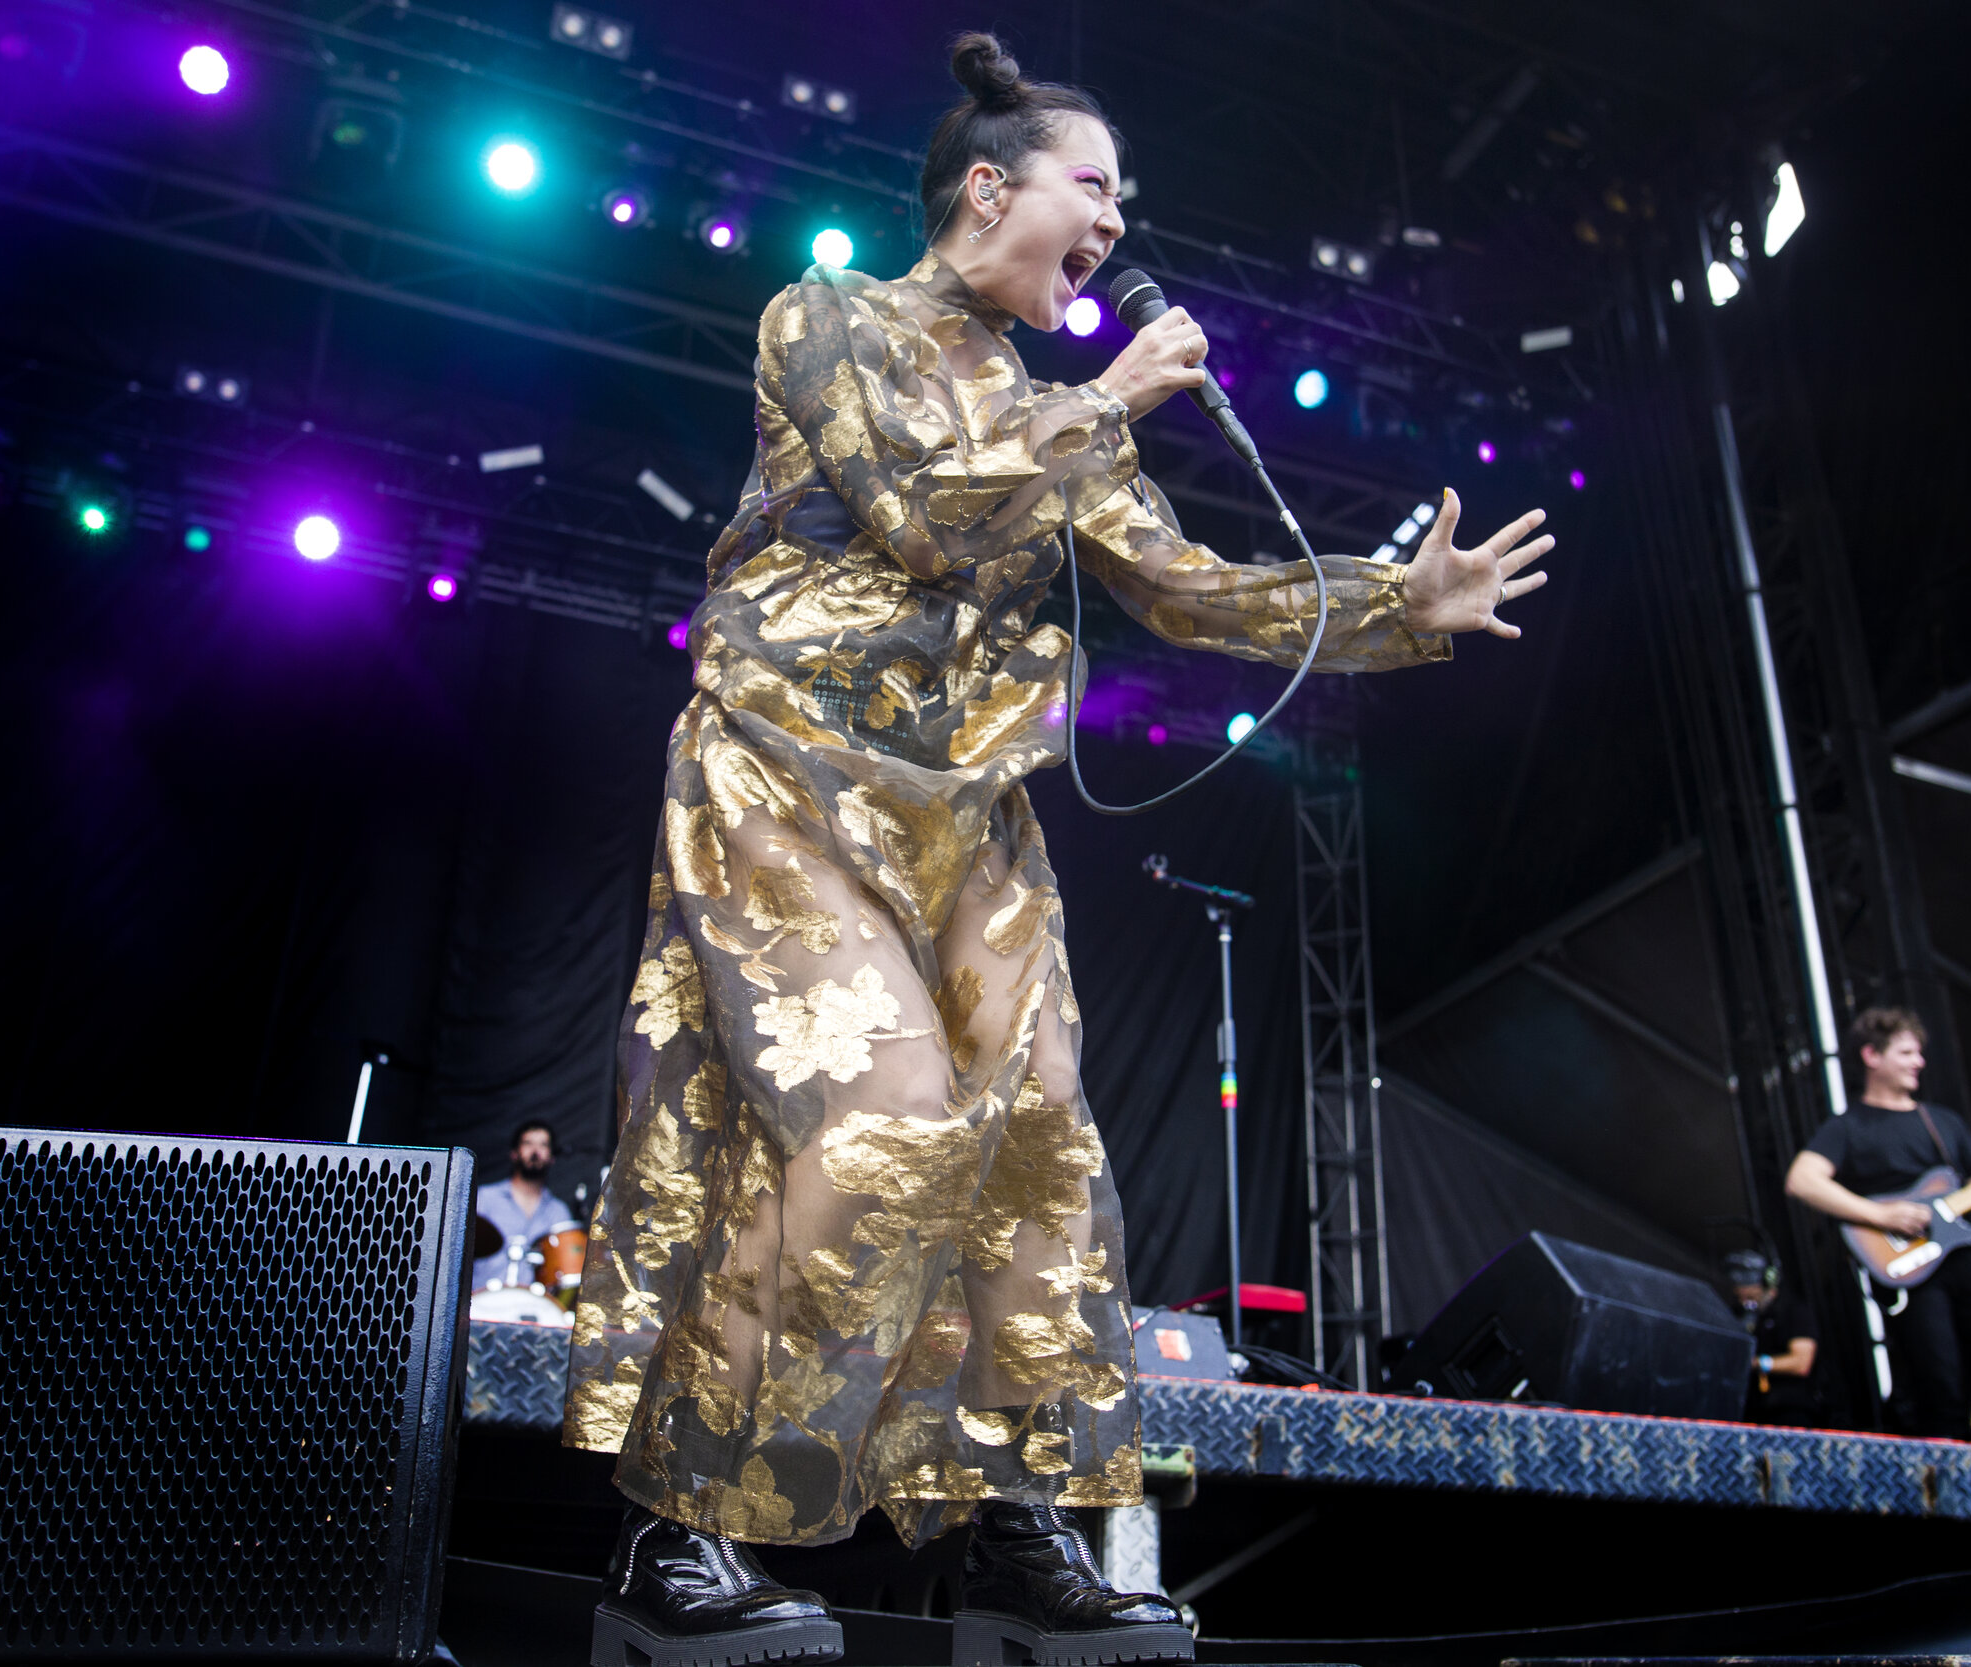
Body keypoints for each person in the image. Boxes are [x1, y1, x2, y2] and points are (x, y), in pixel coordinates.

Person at [561, 33, 1556, 1667]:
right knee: (871, 1128)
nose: (1113, 222)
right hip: (788, 784)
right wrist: (1101, 403)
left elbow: (1189, 587)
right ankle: (689, 1530)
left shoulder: (1057, 410)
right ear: (987, 187)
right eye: (1093, 186)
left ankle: (1005, 1535)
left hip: (976, 826)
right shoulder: (827, 318)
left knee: (1035, 1165)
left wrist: (1399, 606)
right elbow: (916, 511)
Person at [1785, 1008, 1971, 1446]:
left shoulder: (1942, 1122)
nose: (1918, 1061)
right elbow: (1802, 1180)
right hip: (1914, 1274)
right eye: (1906, 1052)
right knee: (1942, 1397)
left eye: (1919, 1053)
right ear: (1871, 1056)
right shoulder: (1847, 1127)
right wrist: (1881, 1215)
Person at [472, 1120, 577, 1294]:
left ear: (552, 1157)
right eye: (528, 1143)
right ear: (514, 1153)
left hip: (533, 1310)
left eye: (543, 1145)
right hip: (481, 1303)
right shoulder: (485, 1198)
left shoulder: (559, 1212)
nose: (535, 1151)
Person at [1721, 1250, 1819, 1425]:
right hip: (1751, 1410)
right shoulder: (1739, 1314)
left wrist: (1755, 1363)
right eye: (1740, 1294)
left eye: (1750, 1295)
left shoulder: (1793, 1311)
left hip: (1789, 1410)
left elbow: (1801, 1363)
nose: (1744, 1299)